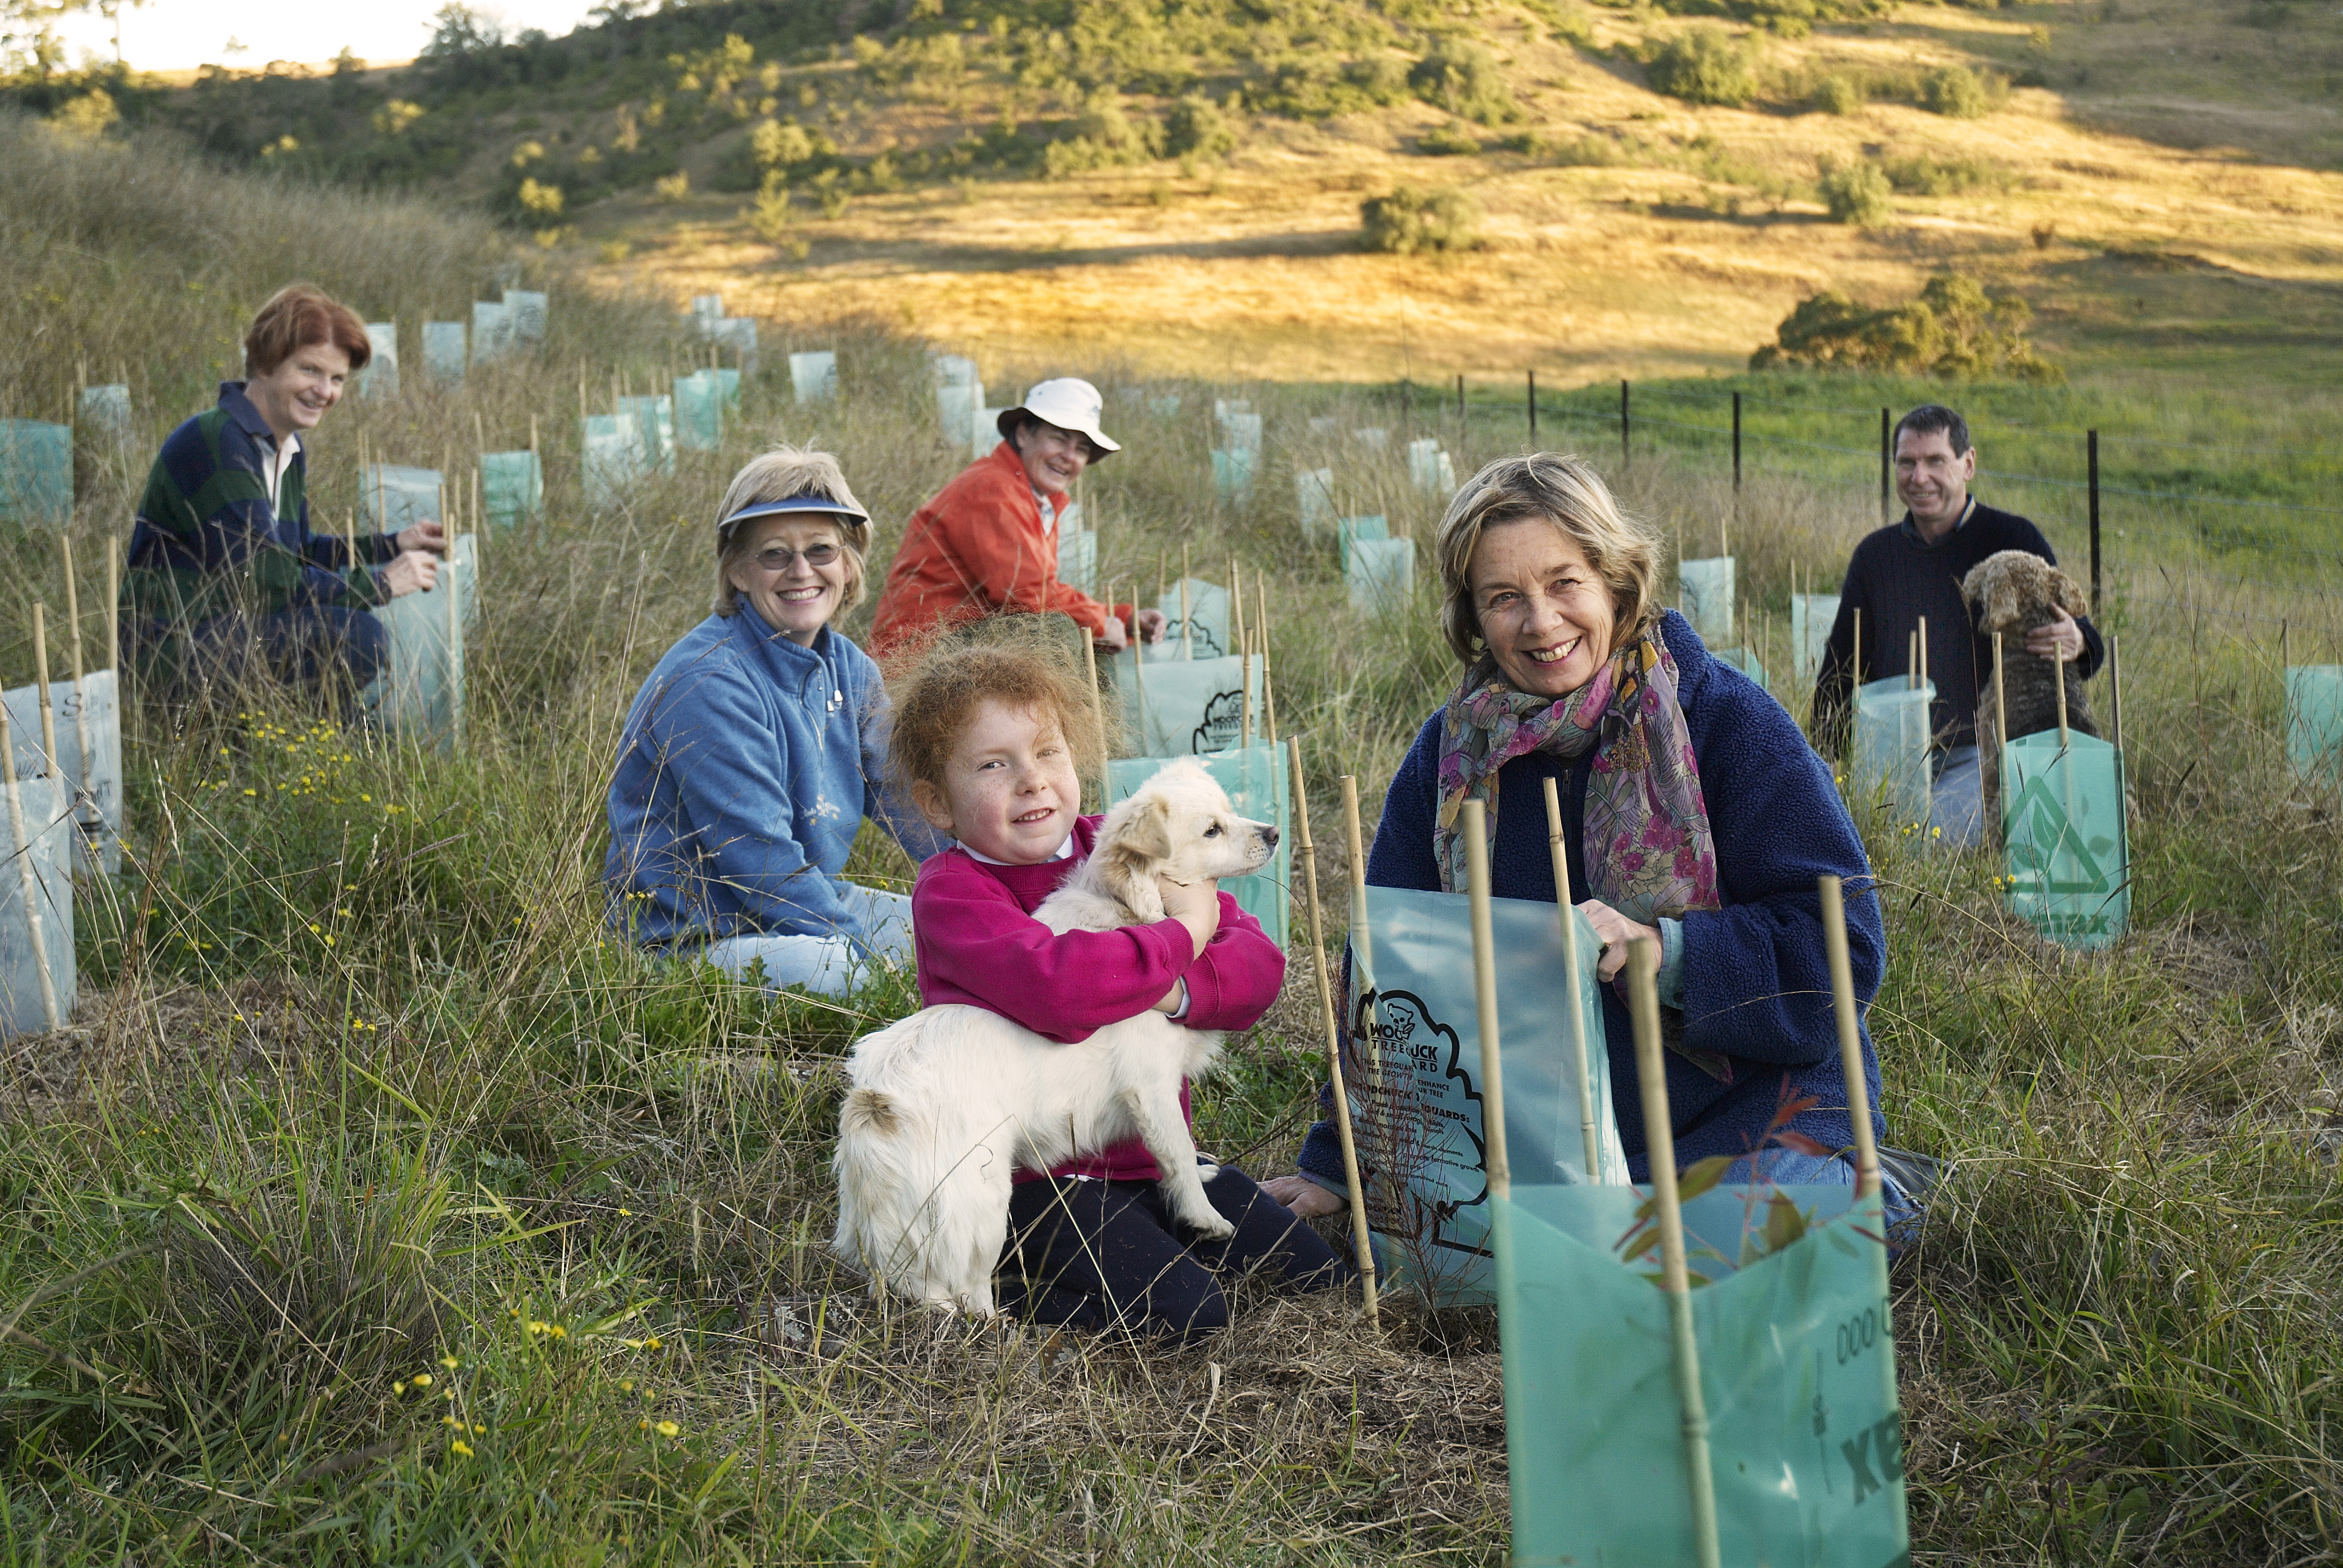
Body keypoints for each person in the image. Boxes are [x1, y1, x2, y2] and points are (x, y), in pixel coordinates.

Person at [1260, 454, 1919, 1228]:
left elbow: (1843, 951)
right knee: (1537, 1272)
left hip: (1750, 1124)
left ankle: (1868, 1191)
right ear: (1471, 618)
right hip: (1545, 1150)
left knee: (1721, 1249)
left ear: (1615, 580)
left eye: (1564, 582)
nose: (1541, 623)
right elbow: (1390, 980)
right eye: (1503, 597)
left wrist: (1671, 955)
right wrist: (1343, 1163)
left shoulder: (1729, 722)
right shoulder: (1448, 761)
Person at [891, 634, 1351, 1342]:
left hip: (1147, 1159)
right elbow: (1060, 988)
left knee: (1315, 1274)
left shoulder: (1128, 841)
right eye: (993, 765)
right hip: (1031, 1177)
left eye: (1048, 752)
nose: (1031, 780)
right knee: (1186, 1314)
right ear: (937, 803)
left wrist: (1171, 990)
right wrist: (1184, 934)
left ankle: (1155, 1227)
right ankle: (988, 1291)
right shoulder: (953, 895)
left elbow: (1257, 967)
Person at [605, 446, 946, 998]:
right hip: (701, 935)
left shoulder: (850, 670)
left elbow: (907, 802)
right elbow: (759, 860)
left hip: (799, 903)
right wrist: (871, 961)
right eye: (774, 555)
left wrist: (999, 883)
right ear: (737, 570)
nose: (802, 571)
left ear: (849, 562)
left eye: (821, 550)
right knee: (854, 977)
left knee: (950, 937)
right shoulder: (710, 682)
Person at [121, 283, 447, 699]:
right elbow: (266, 580)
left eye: (337, 379)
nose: (325, 392)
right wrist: (380, 585)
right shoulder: (217, 440)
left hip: (227, 633)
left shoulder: (285, 450)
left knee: (343, 654)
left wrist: (393, 544)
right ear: (265, 363)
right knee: (356, 638)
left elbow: (297, 553)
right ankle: (230, 740)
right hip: (167, 648)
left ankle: (303, 745)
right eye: (309, 370)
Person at [1809, 404, 2105, 846]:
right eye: (1907, 462)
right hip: (1892, 757)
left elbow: (2081, 637)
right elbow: (1840, 667)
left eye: (1935, 461)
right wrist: (1825, 757)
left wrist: (2079, 640)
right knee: (1855, 838)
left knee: (1922, 841)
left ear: (1968, 464)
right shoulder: (1875, 557)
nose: (1919, 477)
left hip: (1983, 757)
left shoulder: (2013, 541)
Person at [869, 377, 1168, 658]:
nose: (1069, 456)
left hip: (957, 647)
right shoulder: (993, 489)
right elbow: (1026, 596)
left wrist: (1121, 618)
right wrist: (1102, 624)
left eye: (1082, 449)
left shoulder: (1028, 495)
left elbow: (1038, 589)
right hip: (919, 658)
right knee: (1057, 634)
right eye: (1060, 439)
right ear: (1024, 434)